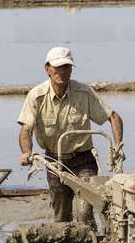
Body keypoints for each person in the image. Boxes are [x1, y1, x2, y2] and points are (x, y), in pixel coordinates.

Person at [17, 47, 124, 226]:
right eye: (58, 67)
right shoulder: (36, 96)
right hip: (54, 161)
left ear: (71, 69)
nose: (62, 72)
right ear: (47, 69)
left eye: (66, 67)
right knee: (61, 217)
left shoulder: (84, 93)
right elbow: (26, 130)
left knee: (84, 211)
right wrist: (27, 152)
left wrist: (118, 147)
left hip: (84, 160)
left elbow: (113, 117)